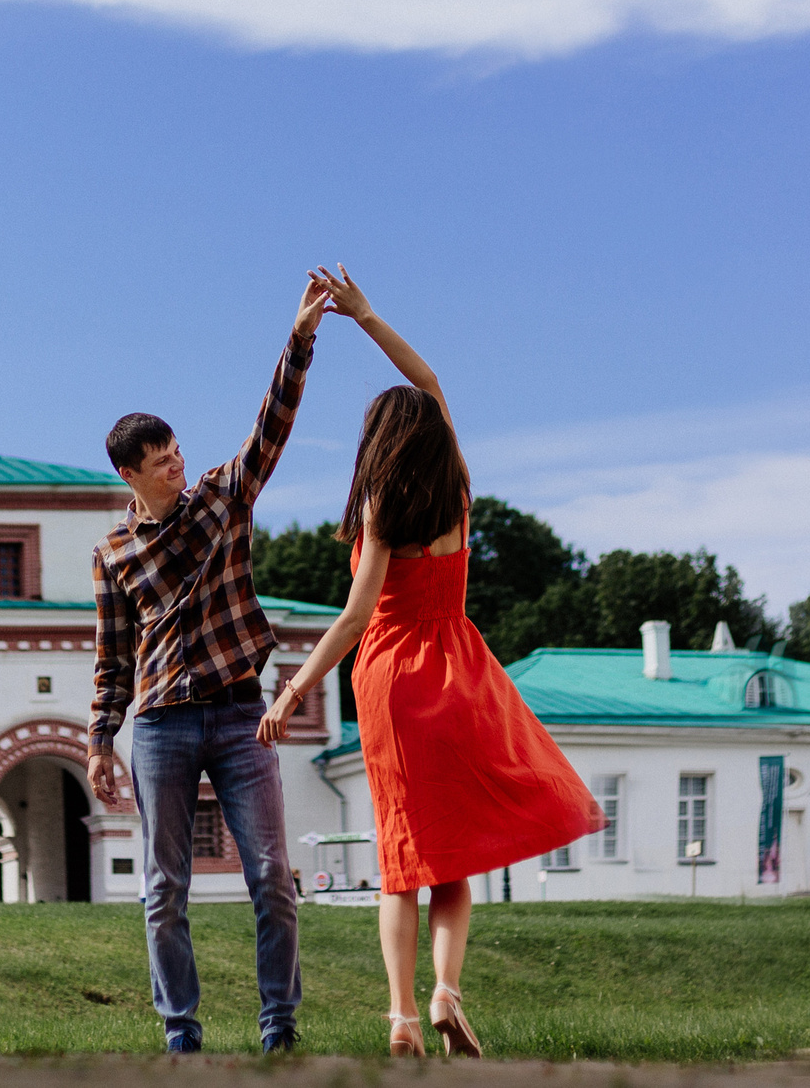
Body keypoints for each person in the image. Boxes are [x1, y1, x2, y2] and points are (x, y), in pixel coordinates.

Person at [260, 265, 600, 1058]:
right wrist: (370, 316)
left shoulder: (380, 506)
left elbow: (353, 616)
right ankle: (450, 991)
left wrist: (295, 687)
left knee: (401, 860)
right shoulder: (459, 490)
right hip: (460, 671)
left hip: (393, 679)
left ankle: (403, 1015)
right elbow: (432, 378)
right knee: (454, 857)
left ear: (377, 442)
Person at [89, 275, 331, 1055]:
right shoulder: (114, 553)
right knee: (164, 889)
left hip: (237, 710)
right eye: (160, 462)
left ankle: (279, 1026)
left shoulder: (223, 498)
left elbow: (273, 425)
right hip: (159, 725)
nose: (176, 467)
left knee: (272, 877)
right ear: (130, 474)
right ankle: (181, 1032)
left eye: (177, 452)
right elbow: (112, 653)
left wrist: (299, 338)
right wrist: (100, 737)